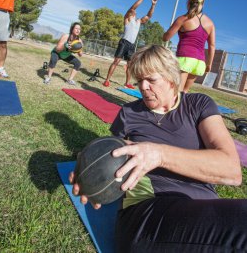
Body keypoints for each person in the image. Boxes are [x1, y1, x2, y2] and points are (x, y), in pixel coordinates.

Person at [70, 45, 247, 252]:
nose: (142, 87)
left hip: (205, 208)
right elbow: (111, 154)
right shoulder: (129, 113)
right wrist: (89, 172)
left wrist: (159, 155)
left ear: (171, 77)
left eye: (151, 80)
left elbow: (231, 171)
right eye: (139, 81)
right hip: (149, 212)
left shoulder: (198, 104)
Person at [103, 0, 158, 89]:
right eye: (133, 10)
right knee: (116, 62)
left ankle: (127, 83)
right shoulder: (127, 19)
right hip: (124, 42)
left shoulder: (139, 22)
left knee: (129, 65)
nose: (134, 11)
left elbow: (149, 16)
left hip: (131, 45)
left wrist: (153, 5)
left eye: (135, 11)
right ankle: (107, 80)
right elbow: (133, 7)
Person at [162, 0, 215, 93]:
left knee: (177, 91)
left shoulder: (183, 19)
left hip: (185, 58)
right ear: (202, 4)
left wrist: (165, 34)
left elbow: (166, 38)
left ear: (188, 3)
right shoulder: (210, 23)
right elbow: (212, 46)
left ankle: (171, 108)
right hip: (200, 62)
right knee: (184, 92)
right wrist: (209, 64)